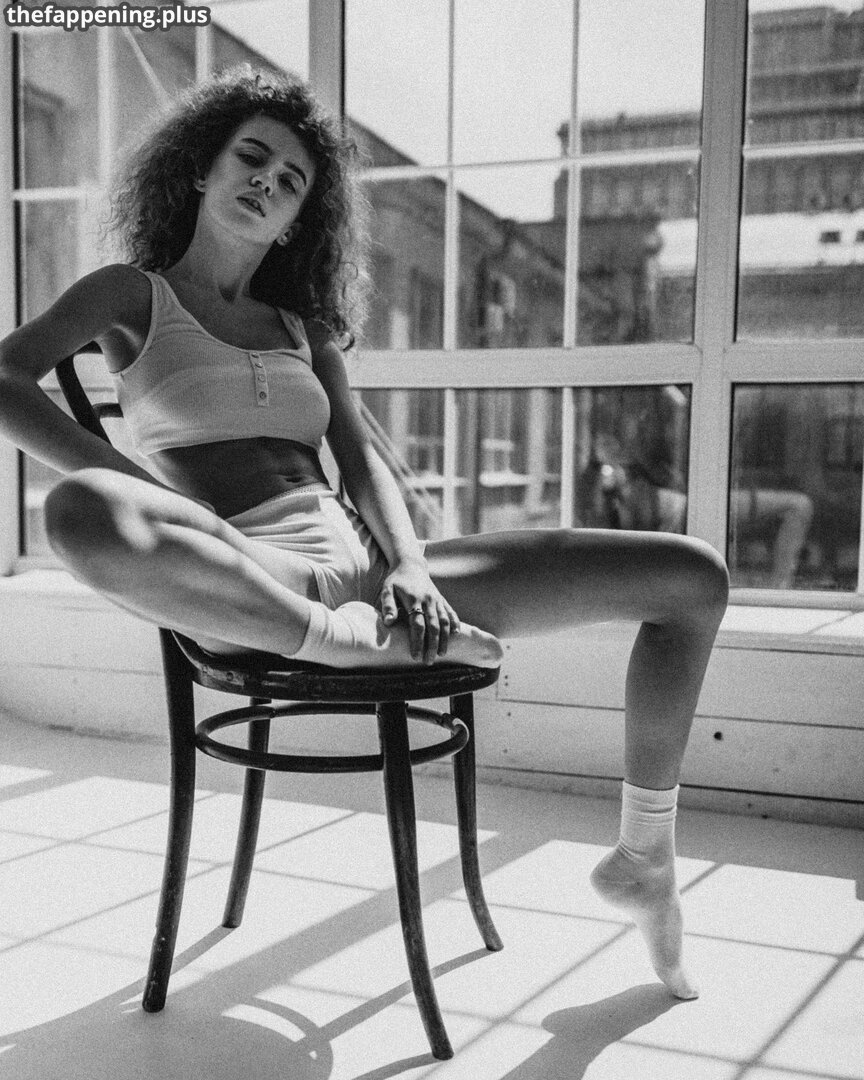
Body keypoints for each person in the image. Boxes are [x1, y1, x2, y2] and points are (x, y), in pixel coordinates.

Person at [0, 66, 728, 1001]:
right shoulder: (129, 294)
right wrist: (140, 488)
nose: (266, 182)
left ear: (296, 220)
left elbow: (363, 460)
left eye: (290, 181)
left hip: (375, 578)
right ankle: (333, 639)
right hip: (248, 575)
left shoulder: (303, 328)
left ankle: (645, 857)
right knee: (76, 512)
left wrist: (411, 566)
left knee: (691, 578)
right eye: (250, 158)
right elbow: (5, 376)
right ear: (200, 170)